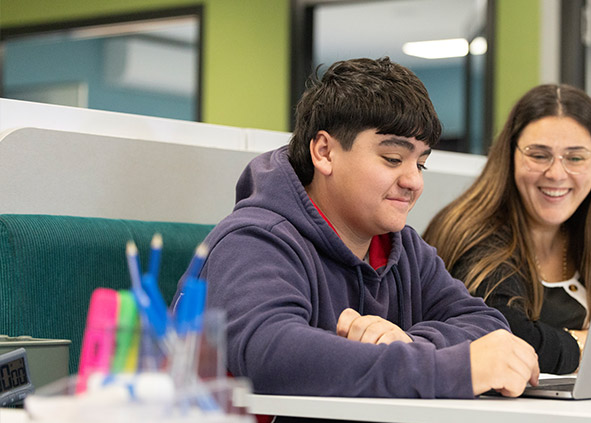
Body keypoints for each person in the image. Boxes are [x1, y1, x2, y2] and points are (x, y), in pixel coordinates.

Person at [173, 57, 539, 398]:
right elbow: (274, 357)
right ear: (324, 152)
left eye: (420, 164)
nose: (414, 181)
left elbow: (487, 325)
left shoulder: (403, 248)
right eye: (392, 158)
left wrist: (405, 342)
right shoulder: (254, 241)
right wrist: (447, 367)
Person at [423, 84, 591, 375]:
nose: (556, 173)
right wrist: (588, 345)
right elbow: (505, 335)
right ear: (510, 156)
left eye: (575, 158)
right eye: (539, 155)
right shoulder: (472, 234)